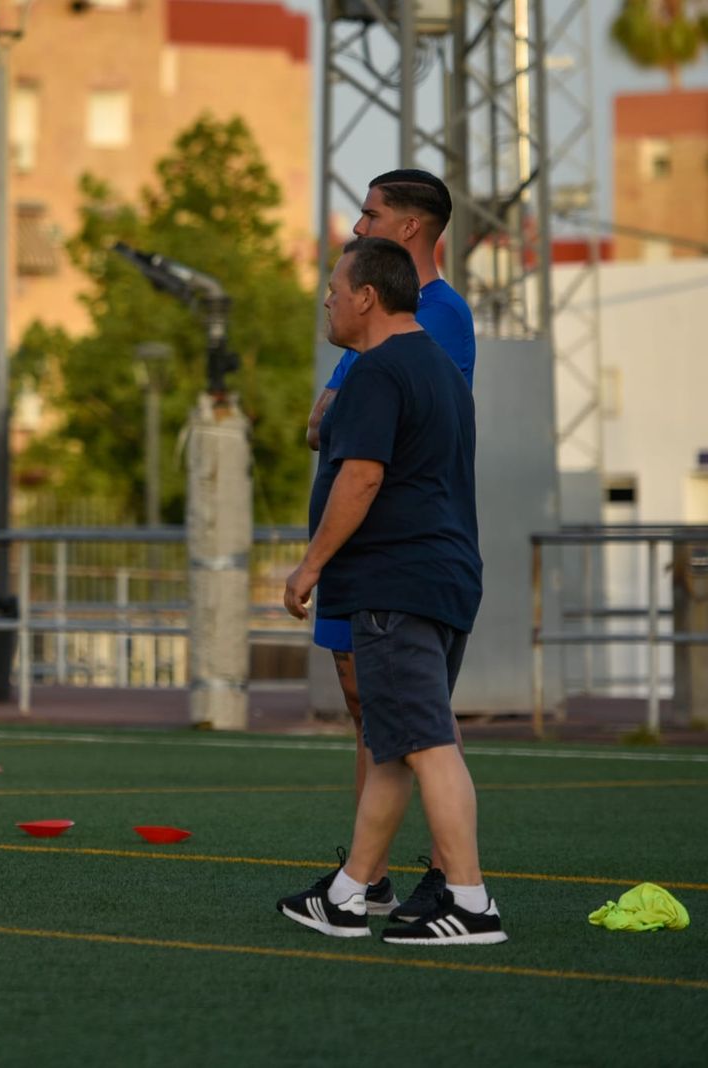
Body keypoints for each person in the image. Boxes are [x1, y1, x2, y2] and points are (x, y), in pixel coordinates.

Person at [277, 237, 503, 946]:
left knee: (427, 741)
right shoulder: (438, 367)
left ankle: (469, 901)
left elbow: (362, 476)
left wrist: (310, 565)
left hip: (395, 584)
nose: (327, 299)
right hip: (445, 578)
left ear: (368, 296)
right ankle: (349, 895)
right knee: (391, 743)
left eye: (335, 288)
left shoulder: (376, 370)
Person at [303, 169, 476, 922]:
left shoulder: (422, 332)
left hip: (398, 568)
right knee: (384, 720)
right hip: (386, 569)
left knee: (417, 730)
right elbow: (323, 418)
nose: (356, 227)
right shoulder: (398, 344)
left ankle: (460, 891)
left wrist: (310, 563)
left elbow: (356, 448)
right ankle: (360, 883)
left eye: (369, 215)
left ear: (408, 229)